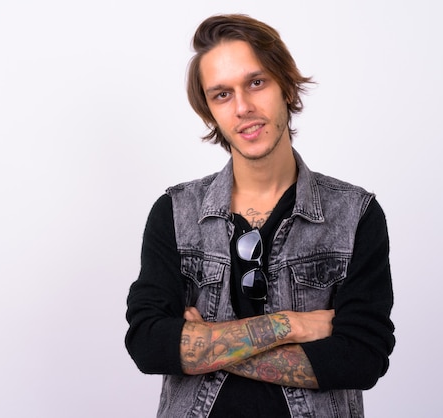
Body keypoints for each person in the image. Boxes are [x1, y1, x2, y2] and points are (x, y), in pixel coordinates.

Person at [125, 13, 395, 418]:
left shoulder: (355, 214)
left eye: (256, 82)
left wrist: (200, 345)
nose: (243, 108)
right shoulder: (175, 212)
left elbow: (362, 357)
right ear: (210, 113)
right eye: (221, 94)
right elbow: (148, 344)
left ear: (285, 84)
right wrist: (293, 325)